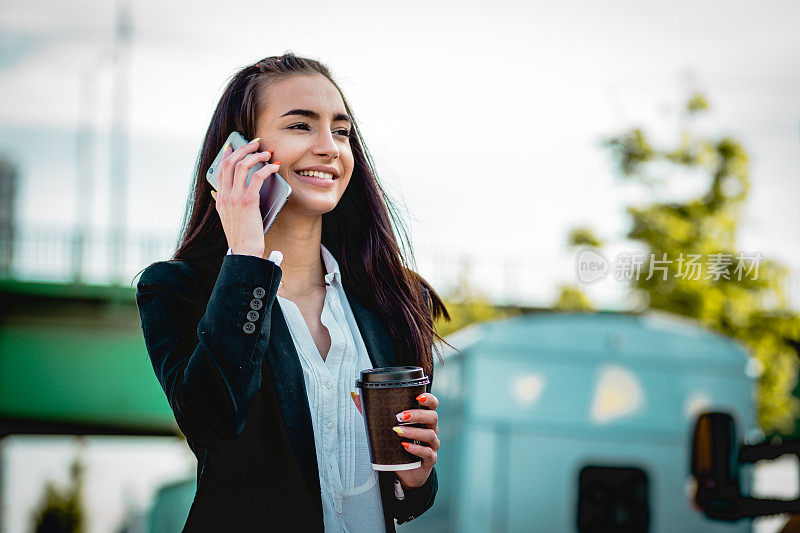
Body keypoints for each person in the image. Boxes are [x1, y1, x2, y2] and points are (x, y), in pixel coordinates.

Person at [135, 53, 450, 532]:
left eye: (341, 131)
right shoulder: (178, 290)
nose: (330, 147)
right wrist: (245, 256)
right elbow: (214, 425)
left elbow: (403, 500)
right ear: (238, 152)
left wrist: (414, 477)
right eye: (301, 126)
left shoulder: (392, 297)